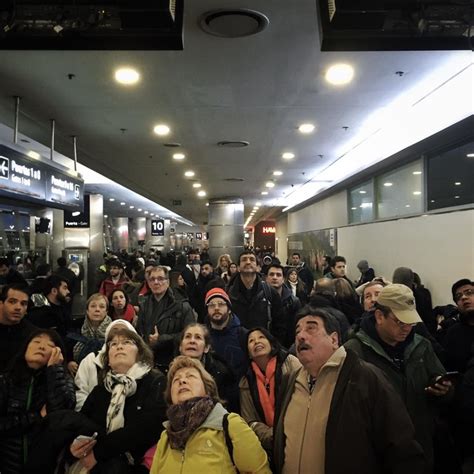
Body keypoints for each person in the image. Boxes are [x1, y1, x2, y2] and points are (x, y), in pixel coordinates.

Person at [273, 306, 425, 474]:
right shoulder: (289, 381)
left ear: (334, 340)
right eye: (298, 331)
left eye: (311, 328)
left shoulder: (364, 378)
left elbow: (401, 448)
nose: (301, 336)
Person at [344, 284, 451, 472]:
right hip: (378, 454)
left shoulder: (421, 346)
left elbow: (440, 380)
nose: (407, 328)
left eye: (411, 322)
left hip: (419, 448)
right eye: (400, 322)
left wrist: (444, 391)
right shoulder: (355, 351)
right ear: (379, 316)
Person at [69, 324, 166, 473]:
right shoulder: (100, 390)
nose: (119, 346)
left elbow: (148, 428)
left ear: (139, 353)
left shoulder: (155, 381)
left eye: (127, 342)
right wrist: (77, 445)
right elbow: (82, 424)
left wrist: (99, 452)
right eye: (113, 344)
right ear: (107, 359)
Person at [150, 356, 271, 474]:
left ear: (207, 389)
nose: (182, 381)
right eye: (176, 380)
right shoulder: (166, 437)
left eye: (190, 376)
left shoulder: (229, 424)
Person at [0, 329, 75, 474]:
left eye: (50, 345)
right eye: (36, 342)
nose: (41, 347)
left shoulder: (62, 380)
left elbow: (63, 415)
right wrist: (36, 417)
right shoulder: (5, 381)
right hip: (7, 465)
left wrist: (55, 369)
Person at [239, 327, 300, 458]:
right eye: (251, 341)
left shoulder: (290, 364)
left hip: (297, 434)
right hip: (269, 445)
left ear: (271, 344)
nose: (256, 342)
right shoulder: (246, 381)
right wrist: (273, 435)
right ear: (248, 353)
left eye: (261, 337)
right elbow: (250, 420)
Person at [136, 265, 195, 372]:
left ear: (167, 282)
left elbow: (190, 335)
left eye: (160, 279)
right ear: (148, 283)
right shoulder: (144, 305)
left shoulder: (182, 305)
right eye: (152, 279)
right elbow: (139, 331)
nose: (156, 282)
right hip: (149, 363)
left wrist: (162, 338)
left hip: (174, 362)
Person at [74, 319, 138, 411]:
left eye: (124, 331)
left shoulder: (143, 368)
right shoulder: (91, 359)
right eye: (115, 330)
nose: (119, 333)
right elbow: (80, 393)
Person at [227, 251, 285, 345]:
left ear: (258, 267)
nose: (248, 262)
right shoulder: (228, 294)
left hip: (262, 348)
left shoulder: (270, 293)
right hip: (235, 347)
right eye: (244, 260)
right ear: (238, 268)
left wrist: (273, 346)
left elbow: (279, 324)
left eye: (252, 259)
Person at [205, 287, 247, 412]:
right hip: (209, 400)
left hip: (238, 400)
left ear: (229, 309)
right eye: (211, 305)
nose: (216, 308)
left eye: (221, 304)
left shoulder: (242, 334)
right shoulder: (202, 336)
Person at [178, 322, 236, 408]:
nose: (192, 341)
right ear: (180, 347)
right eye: (188, 336)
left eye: (198, 337)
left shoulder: (221, 374)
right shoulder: (170, 372)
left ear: (206, 348)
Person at [67, 293, 112, 376]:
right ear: (87, 311)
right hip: (78, 373)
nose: (97, 309)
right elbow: (67, 349)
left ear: (106, 312)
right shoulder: (75, 327)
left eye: (102, 307)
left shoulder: (113, 329)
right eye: (93, 306)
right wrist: (69, 362)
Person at [0, 283, 36, 372]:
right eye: (12, 302)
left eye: (23, 304)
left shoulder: (32, 334)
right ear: (1, 304)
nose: (18, 308)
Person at [266, 264, 302, 347]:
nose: (275, 277)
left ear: (283, 279)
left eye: (278, 275)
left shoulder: (293, 301)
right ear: (266, 278)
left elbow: (296, 328)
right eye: (271, 274)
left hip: (286, 346)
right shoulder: (259, 299)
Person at [28, 274, 71, 340]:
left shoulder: (62, 308)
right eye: (64, 288)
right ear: (54, 291)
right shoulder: (41, 313)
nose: (68, 291)